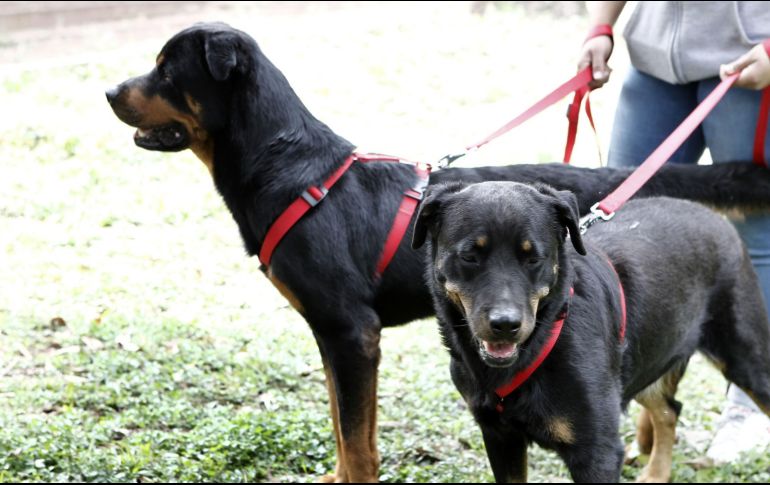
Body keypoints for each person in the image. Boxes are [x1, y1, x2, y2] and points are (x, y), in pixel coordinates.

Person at [576, 0, 770, 464]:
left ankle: (748, 405)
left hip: (750, 58)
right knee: (621, 229)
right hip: (653, 63)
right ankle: (631, 391)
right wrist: (600, 25)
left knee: (756, 240)